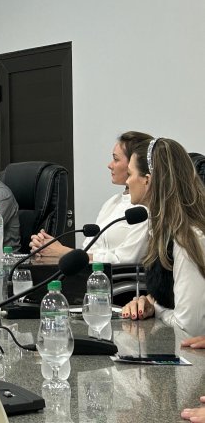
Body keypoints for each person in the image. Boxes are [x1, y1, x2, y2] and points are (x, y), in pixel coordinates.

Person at [121, 138, 205, 336]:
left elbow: (189, 327)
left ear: (147, 180)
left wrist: (156, 309)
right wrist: (147, 302)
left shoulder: (188, 239)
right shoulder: (162, 231)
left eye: (130, 174)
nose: (126, 182)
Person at [30, 131, 153, 262]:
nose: (110, 165)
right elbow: (88, 249)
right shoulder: (112, 202)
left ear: (133, 163)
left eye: (116, 159)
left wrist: (63, 252)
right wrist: (49, 248)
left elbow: (125, 260)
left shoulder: (144, 210)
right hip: (92, 272)